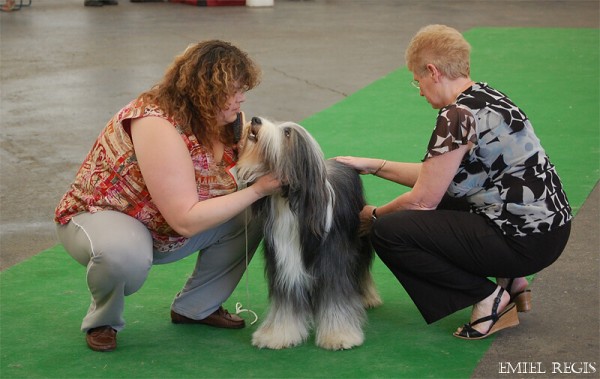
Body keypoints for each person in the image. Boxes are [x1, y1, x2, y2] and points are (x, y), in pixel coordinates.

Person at [336, 24, 572, 340]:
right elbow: (439, 177)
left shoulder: (456, 117)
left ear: (433, 71)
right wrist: (375, 166)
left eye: (416, 79)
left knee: (390, 232)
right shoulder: (488, 96)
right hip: (550, 231)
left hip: (523, 243)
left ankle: (488, 299)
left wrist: (374, 215)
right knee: (448, 197)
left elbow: (423, 201)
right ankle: (512, 281)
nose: (419, 88)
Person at [55, 40, 280, 352]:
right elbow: (185, 220)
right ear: (208, 91)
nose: (242, 98)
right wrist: (258, 189)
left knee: (255, 213)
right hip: (108, 218)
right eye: (235, 90)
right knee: (122, 254)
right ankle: (103, 320)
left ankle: (196, 307)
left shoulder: (228, 121)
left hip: (166, 228)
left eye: (243, 89)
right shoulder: (155, 123)